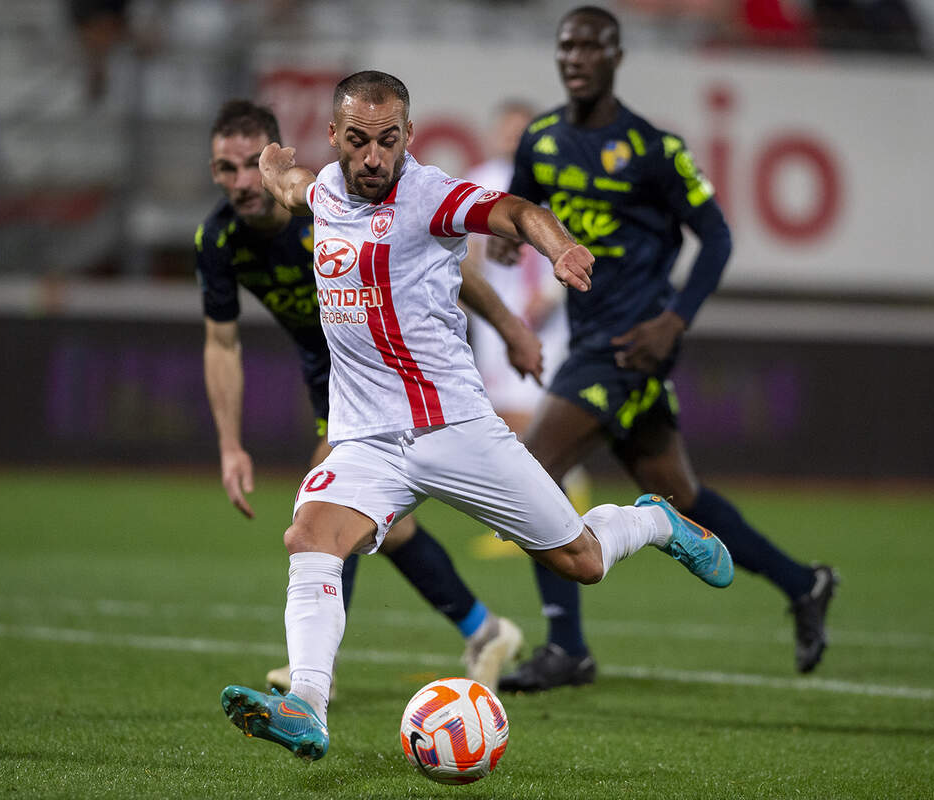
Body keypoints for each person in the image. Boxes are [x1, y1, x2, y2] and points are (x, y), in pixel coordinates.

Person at [219, 70, 734, 763]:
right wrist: (277, 170)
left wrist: (559, 247)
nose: (375, 157)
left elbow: (517, 211)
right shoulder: (325, 191)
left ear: (409, 137)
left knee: (580, 560)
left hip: (453, 428)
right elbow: (294, 188)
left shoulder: (427, 195)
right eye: (361, 141)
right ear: (337, 137)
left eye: (390, 140)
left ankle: (654, 520)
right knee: (309, 535)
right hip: (367, 437)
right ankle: (307, 705)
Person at [490, 5, 837, 694]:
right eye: (566, 46)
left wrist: (675, 320)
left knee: (529, 473)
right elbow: (522, 211)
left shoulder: (653, 148)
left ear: (617, 57)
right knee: (684, 495)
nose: (575, 57)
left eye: (591, 46)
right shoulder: (543, 139)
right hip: (591, 340)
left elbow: (720, 237)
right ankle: (805, 583)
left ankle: (566, 647)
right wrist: (511, 235)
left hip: (630, 345)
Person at [195, 100, 529, 696]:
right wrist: (229, 445)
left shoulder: (334, 203)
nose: (242, 182)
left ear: (277, 160)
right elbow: (222, 344)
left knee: (328, 505)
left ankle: (310, 678)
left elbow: (451, 264)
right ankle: (485, 629)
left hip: (404, 367)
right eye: (226, 169)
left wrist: (509, 328)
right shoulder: (219, 239)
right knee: (385, 529)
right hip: (331, 379)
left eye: (252, 164)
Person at [462, 100, 592, 513]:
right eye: (507, 129)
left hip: (545, 321)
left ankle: (557, 506)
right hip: (495, 316)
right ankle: (541, 513)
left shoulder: (555, 183)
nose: (513, 137)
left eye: (522, 130)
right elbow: (463, 252)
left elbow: (577, 241)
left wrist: (552, 295)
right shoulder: (476, 183)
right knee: (505, 420)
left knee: (534, 419)